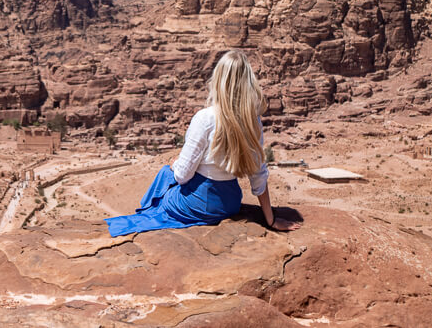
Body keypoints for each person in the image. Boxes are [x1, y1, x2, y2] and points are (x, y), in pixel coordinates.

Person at [105, 50, 301, 237]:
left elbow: (182, 176)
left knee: (165, 176)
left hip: (199, 203)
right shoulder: (253, 120)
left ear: (219, 80)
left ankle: (143, 217)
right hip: (231, 202)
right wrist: (271, 219)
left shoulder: (205, 118)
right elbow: (258, 175)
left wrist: (175, 165)